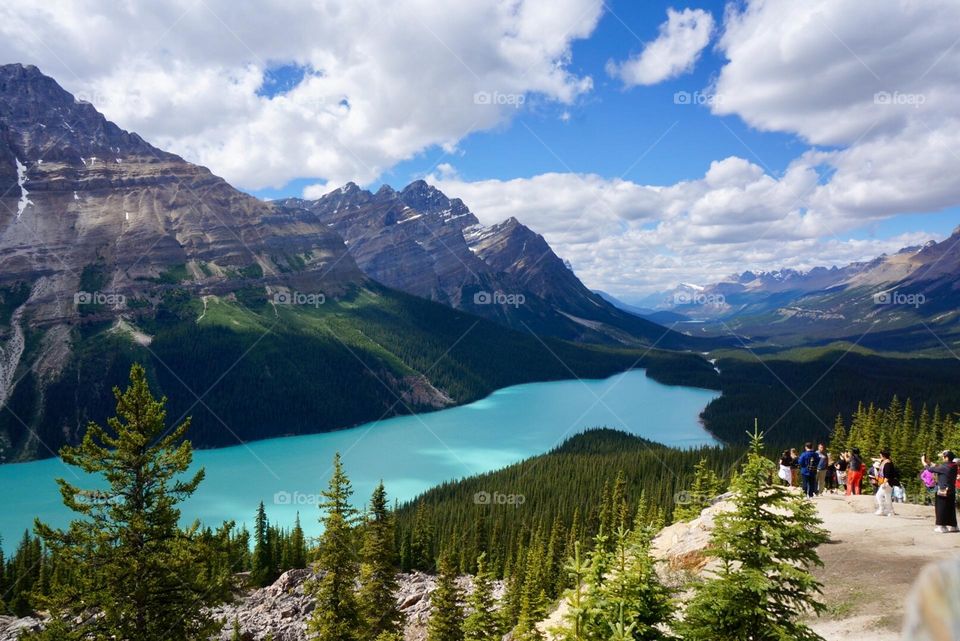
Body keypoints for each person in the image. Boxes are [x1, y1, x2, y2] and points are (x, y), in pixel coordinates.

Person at [922, 450, 959, 533]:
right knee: (950, 508)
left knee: (941, 508)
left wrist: (923, 462)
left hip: (942, 491)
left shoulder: (944, 467)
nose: (942, 458)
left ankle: (942, 526)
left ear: (946, 458)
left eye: (943, 457)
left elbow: (930, 469)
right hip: (951, 490)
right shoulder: (954, 466)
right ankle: (954, 526)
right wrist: (928, 461)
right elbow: (937, 466)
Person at [874, 449, 896, 516]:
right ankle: (891, 512)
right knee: (887, 497)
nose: (880, 455)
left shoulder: (887, 464)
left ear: (883, 455)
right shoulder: (887, 461)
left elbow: (887, 475)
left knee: (878, 495)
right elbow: (881, 460)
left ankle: (881, 510)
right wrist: (875, 459)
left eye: (880, 454)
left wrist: (884, 483)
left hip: (887, 483)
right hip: (889, 483)